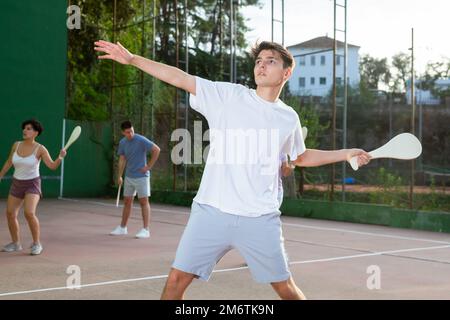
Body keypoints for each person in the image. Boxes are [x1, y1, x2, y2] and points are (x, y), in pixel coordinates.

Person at [94, 39, 371, 299]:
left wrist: (346, 154)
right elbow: (180, 77)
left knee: (286, 288)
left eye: (271, 61)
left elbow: (300, 156)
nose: (261, 65)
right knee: (176, 281)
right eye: (259, 60)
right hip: (212, 211)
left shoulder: (288, 118)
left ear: (286, 73)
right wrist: (132, 60)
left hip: (259, 218)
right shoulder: (228, 96)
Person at [0, 119, 67, 255]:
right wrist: (0, 174)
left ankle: (37, 243)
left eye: (29, 129)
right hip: (17, 183)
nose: (25, 130)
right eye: (24, 128)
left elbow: (52, 166)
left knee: (29, 213)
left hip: (32, 183)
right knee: (10, 213)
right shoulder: (16, 145)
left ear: (36, 132)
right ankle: (16, 243)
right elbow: (9, 161)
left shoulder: (40, 149)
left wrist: (60, 157)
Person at [110, 120, 160, 239]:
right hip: (129, 177)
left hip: (142, 177)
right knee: (127, 201)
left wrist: (148, 166)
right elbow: (122, 159)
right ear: (123, 132)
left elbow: (156, 150)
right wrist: (119, 176)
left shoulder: (141, 140)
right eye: (127, 132)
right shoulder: (122, 143)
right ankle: (123, 228)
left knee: (143, 201)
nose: (130, 134)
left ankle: (146, 229)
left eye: (132, 131)